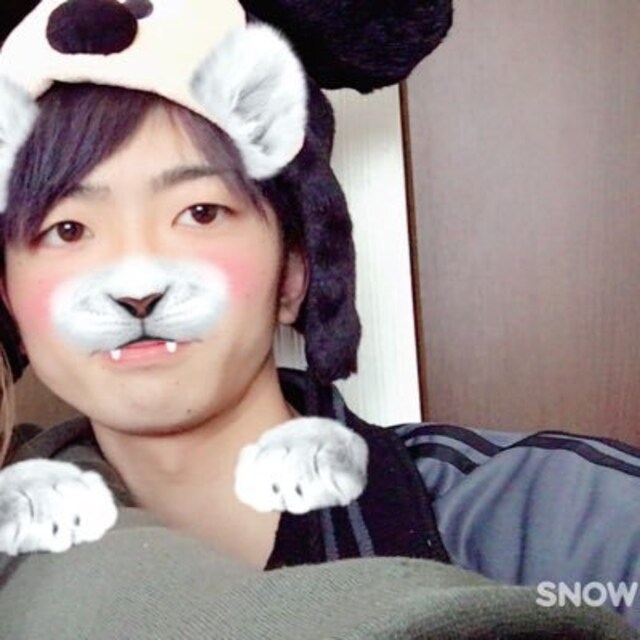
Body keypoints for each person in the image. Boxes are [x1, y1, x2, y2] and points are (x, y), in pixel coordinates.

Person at [0, 0, 638, 634]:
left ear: (295, 273)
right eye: (67, 229)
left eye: (200, 213)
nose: (136, 282)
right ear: (7, 298)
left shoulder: (559, 519)